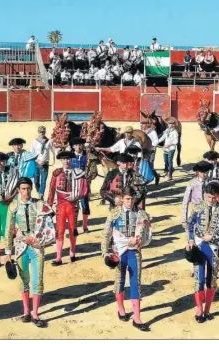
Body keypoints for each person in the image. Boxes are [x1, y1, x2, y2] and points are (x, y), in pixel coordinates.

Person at [5, 177, 56, 328]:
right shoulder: (13, 206)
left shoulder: (40, 204)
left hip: (36, 246)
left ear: (31, 188)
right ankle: (26, 311)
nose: (26, 192)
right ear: (18, 190)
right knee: (24, 280)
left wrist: (40, 239)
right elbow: (8, 230)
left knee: (37, 281)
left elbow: (50, 223)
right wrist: (8, 253)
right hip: (21, 247)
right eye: (23, 189)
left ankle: (35, 313)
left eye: (28, 188)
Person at [101, 187, 152, 331]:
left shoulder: (141, 214)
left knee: (136, 282)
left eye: (132, 199)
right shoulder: (114, 214)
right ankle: (121, 309)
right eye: (127, 199)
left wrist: (141, 239)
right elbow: (106, 235)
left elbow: (148, 231)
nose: (130, 202)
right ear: (122, 198)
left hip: (134, 252)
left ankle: (137, 317)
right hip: (119, 252)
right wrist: (105, 253)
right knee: (120, 280)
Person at [186, 182, 219, 323]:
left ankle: (207, 309)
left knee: (211, 280)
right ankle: (199, 309)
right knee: (199, 279)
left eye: (214, 198)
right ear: (205, 195)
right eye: (209, 197)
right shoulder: (197, 207)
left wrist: (213, 237)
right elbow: (190, 225)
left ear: (218, 196)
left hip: (214, 248)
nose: (211, 200)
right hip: (199, 246)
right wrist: (190, 240)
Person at [47, 151, 88, 266]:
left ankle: (72, 254)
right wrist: (49, 205)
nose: (66, 161)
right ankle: (58, 257)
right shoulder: (57, 173)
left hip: (73, 205)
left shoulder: (78, 173)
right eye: (64, 159)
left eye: (68, 159)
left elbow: (85, 189)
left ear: (71, 160)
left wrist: (78, 195)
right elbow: (51, 190)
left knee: (72, 229)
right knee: (59, 230)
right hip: (60, 205)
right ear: (61, 161)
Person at [181, 161, 213, 229]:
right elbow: (185, 201)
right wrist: (184, 220)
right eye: (202, 172)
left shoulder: (211, 183)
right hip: (195, 213)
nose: (204, 174)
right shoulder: (192, 183)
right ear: (198, 172)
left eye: (206, 172)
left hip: (209, 213)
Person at [69, 138, 91, 233]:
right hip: (72, 184)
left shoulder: (87, 157)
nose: (78, 147)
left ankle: (85, 226)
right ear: (73, 147)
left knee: (84, 205)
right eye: (76, 145)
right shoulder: (69, 157)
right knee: (73, 206)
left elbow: (91, 170)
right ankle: (73, 227)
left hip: (83, 184)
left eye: (80, 145)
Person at [30, 126, 53, 200]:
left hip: (45, 164)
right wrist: (37, 160)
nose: (42, 133)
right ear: (38, 132)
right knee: (36, 181)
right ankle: (39, 192)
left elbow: (53, 150)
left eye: (43, 132)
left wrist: (50, 161)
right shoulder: (34, 142)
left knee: (43, 180)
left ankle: (41, 195)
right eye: (40, 132)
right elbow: (31, 153)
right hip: (36, 163)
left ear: (45, 132)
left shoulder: (49, 141)